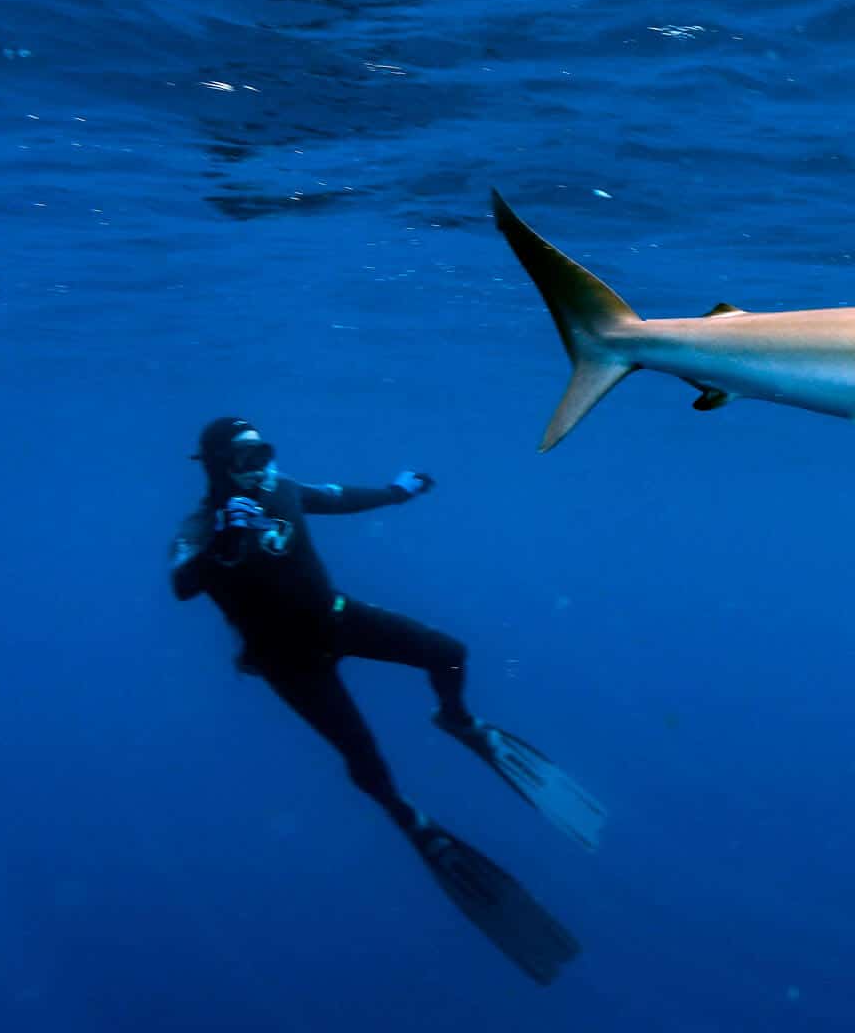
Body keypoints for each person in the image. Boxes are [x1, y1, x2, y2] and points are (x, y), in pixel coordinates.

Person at [168, 416, 605, 984]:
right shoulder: (201, 526)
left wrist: (397, 492)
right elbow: (182, 583)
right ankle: (407, 818)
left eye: (263, 454)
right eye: (242, 460)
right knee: (365, 756)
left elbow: (338, 497)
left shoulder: (281, 489)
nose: (259, 469)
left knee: (450, 653)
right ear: (217, 467)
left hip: (338, 620)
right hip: (288, 665)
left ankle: (457, 720)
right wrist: (220, 545)